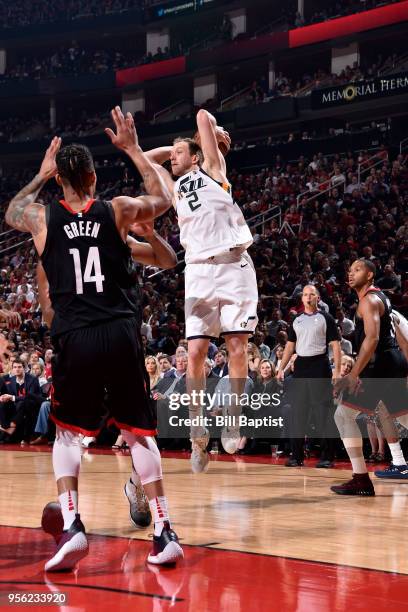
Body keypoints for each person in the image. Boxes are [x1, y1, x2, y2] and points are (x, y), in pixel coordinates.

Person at [5, 106, 183, 570]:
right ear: (92, 174)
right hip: (121, 333)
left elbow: (10, 211)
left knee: (67, 434)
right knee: (139, 433)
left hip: (76, 336)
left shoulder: (43, 219)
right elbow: (164, 197)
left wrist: (39, 176)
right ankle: (165, 532)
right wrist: (133, 149)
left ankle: (73, 526)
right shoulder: (118, 210)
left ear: (61, 178)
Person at [146, 109, 258, 471]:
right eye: (173, 154)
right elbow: (146, 160)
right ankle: (198, 433)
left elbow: (201, 113)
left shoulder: (213, 169)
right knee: (195, 352)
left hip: (233, 263)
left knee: (237, 345)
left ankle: (234, 416)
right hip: (197, 271)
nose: (173, 157)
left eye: (179, 153)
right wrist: (174, 148)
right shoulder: (174, 188)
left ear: (195, 156)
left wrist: (206, 135)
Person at [332, 259, 408, 495]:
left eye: (357, 269)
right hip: (390, 363)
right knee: (403, 417)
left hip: (379, 366)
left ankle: (361, 479)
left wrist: (354, 374)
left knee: (343, 415)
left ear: (371, 275)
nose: (351, 273)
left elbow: (373, 339)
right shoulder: (380, 299)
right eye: (350, 270)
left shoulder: (370, 300)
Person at [277, 285, 341, 468]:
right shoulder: (296, 320)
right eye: (305, 294)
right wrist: (281, 368)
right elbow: (290, 346)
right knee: (298, 413)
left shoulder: (326, 318)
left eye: (311, 294)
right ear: (302, 298)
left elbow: (335, 346)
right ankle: (296, 457)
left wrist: (336, 371)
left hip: (319, 366)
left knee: (322, 414)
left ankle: (327, 457)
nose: (308, 297)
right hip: (301, 367)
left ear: (318, 298)